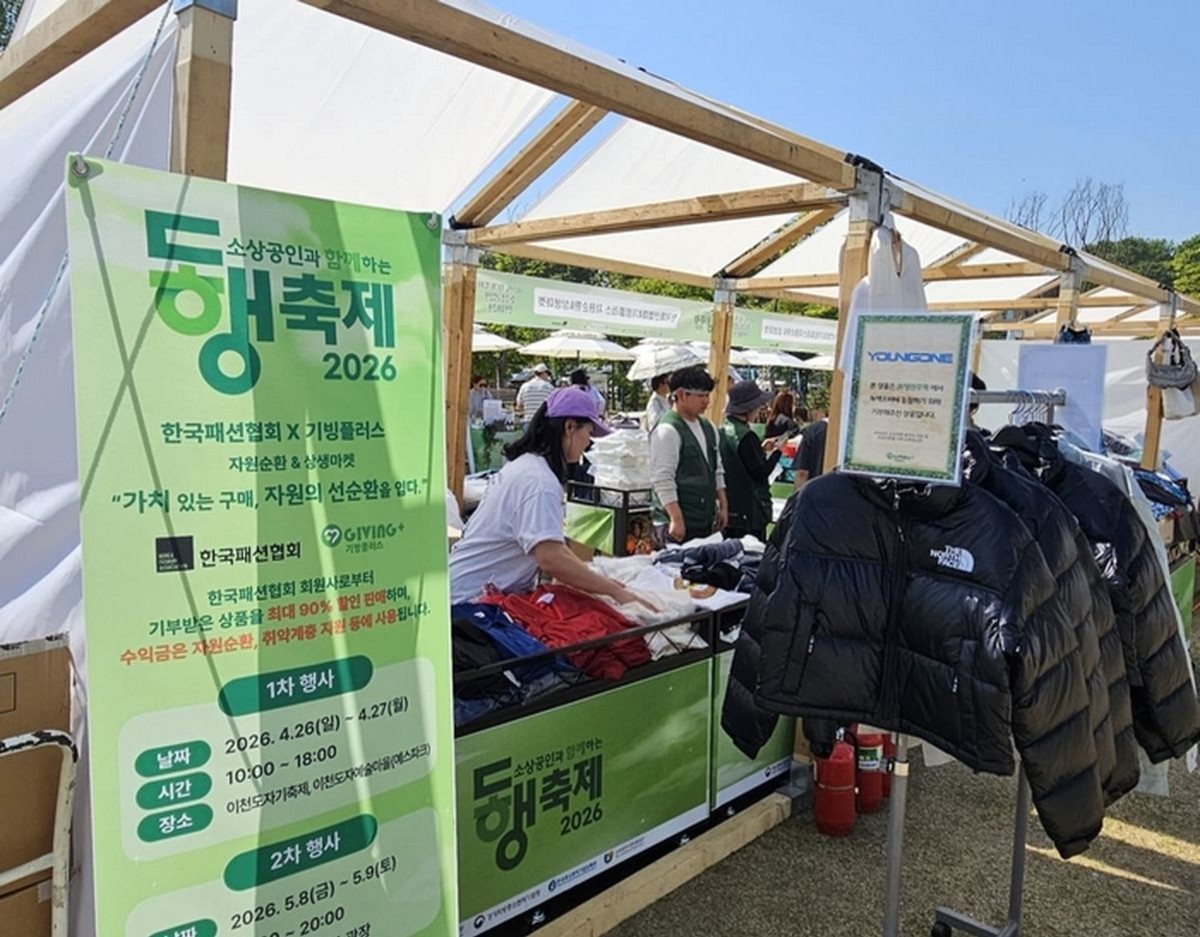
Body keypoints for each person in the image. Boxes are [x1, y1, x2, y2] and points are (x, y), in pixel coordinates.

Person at [450, 387, 649, 607]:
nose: (588, 442)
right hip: (469, 603)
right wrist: (616, 592)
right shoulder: (539, 481)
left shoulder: (528, 466)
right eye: (589, 432)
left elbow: (554, 548)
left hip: (469, 593)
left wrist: (598, 580)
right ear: (569, 427)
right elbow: (550, 558)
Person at [649, 366, 728, 544]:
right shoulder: (667, 430)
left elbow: (717, 469)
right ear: (681, 395)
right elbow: (662, 479)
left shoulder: (709, 427)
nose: (706, 401)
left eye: (707, 395)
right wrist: (676, 518)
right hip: (675, 523)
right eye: (700, 396)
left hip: (703, 520)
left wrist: (723, 506)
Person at [720, 380, 780, 541]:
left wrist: (760, 449)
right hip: (750, 511)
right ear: (749, 408)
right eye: (759, 405)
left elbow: (738, 460)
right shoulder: (747, 436)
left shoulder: (722, 430)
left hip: (729, 507)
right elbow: (760, 473)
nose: (760, 409)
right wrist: (777, 452)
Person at [793, 407, 829, 491]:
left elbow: (802, 473)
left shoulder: (812, 430)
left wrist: (797, 496)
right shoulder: (851, 430)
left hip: (815, 491)